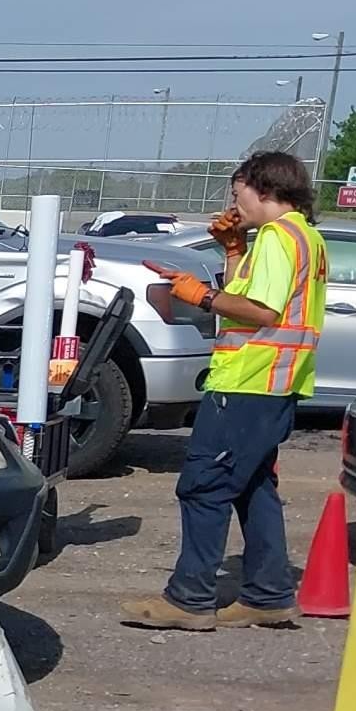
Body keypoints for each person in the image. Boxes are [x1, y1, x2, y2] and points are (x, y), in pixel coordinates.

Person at [120, 150, 328, 631]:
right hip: (273, 383)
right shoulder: (304, 238)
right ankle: (269, 594)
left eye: (238, 195)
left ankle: (190, 598)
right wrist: (233, 249)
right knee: (252, 487)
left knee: (205, 486)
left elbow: (260, 311)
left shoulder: (278, 237)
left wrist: (200, 294)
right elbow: (248, 303)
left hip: (247, 381)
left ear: (265, 190)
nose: (235, 205)